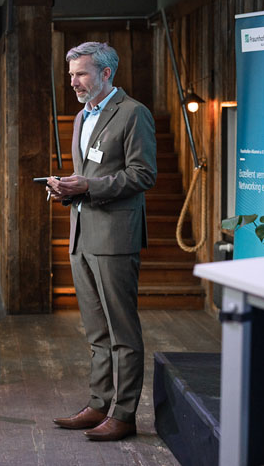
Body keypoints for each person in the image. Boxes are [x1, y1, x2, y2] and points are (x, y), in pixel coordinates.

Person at [47, 42, 157, 441]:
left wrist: (88, 185)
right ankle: (98, 404)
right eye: (72, 74)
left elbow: (143, 174)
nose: (73, 82)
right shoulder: (81, 118)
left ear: (106, 74)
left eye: (81, 74)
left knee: (122, 332)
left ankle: (124, 414)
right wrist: (66, 189)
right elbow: (88, 175)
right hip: (81, 234)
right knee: (96, 331)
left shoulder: (133, 113)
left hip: (115, 236)